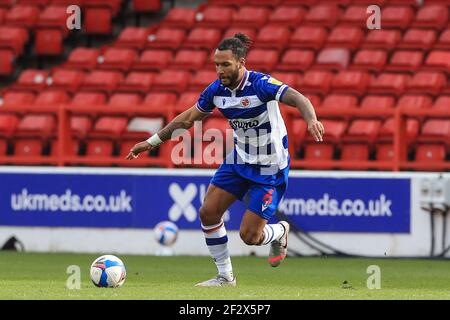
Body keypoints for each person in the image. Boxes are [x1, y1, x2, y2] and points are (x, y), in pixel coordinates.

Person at [126, 33, 324, 287]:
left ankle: (280, 231)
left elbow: (299, 98)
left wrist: (311, 119)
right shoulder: (216, 91)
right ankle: (225, 277)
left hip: (269, 169)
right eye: (217, 65)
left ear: (241, 63)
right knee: (208, 212)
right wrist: (151, 142)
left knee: (250, 236)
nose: (220, 70)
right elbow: (187, 119)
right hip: (239, 161)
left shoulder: (261, 84)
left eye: (225, 64)